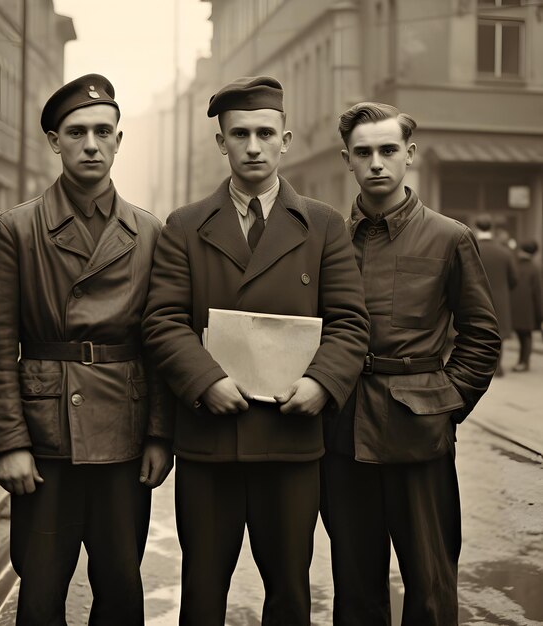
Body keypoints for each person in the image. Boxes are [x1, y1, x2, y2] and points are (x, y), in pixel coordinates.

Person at [143, 76, 370, 625]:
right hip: (209, 443)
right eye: (238, 133)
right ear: (220, 142)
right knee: (201, 592)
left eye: (265, 133)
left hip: (290, 443)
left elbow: (350, 323)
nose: (252, 146)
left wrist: (320, 384)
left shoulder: (323, 226)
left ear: (285, 139)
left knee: (290, 592)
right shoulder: (185, 225)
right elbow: (163, 320)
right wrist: (204, 382)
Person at [0, 74, 173, 625]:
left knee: (121, 592)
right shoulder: (16, 228)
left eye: (103, 131)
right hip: (45, 438)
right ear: (55, 142)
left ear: (119, 141)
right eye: (77, 132)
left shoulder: (149, 233)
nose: (91, 144)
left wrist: (159, 433)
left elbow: (160, 343)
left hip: (123, 436)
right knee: (40, 592)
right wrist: (7, 443)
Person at [321, 102, 500, 626]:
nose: (376, 162)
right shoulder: (326, 238)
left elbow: (482, 335)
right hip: (342, 433)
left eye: (388, 150)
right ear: (347, 160)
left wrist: (444, 407)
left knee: (430, 585)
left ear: (410, 155)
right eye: (363, 152)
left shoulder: (449, 237)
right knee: (354, 589)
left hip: (419, 436)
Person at [474, 214, 517, 376]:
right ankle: (497, 367)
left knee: (475, 332)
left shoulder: (471, 247)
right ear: (491, 228)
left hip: (475, 296)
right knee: (498, 335)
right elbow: (514, 278)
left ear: (476, 227)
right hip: (500, 298)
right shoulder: (504, 252)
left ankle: (479, 367)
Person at [510, 240, 542, 371]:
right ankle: (524, 362)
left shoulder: (515, 264)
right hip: (528, 308)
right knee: (526, 336)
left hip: (514, 306)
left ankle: (522, 362)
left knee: (522, 336)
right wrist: (540, 313)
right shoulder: (534, 268)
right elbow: (537, 292)